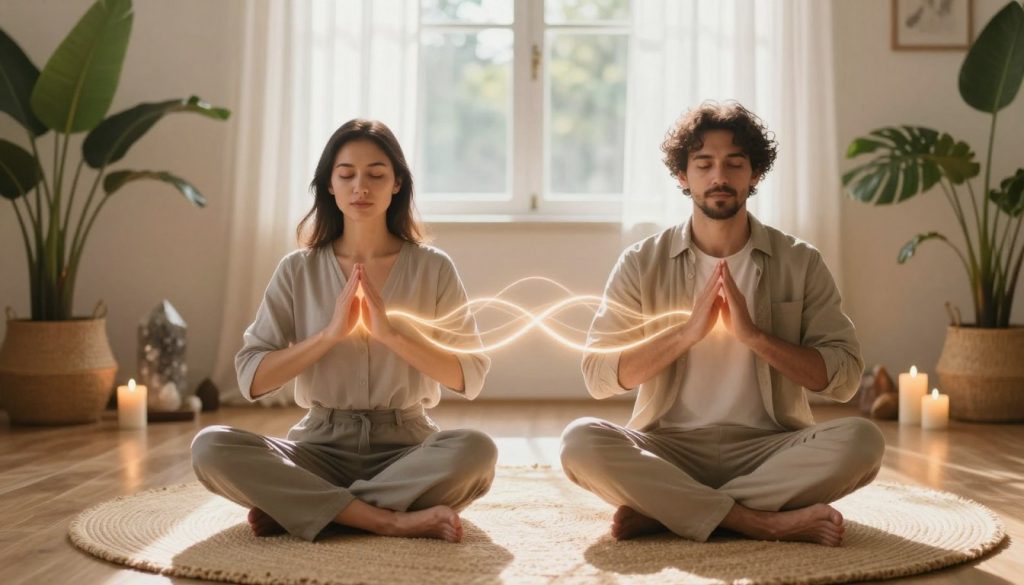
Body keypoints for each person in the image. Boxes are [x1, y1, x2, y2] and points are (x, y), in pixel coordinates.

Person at [560, 101, 884, 547]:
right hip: (669, 446)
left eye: (735, 164)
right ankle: (757, 521)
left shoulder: (800, 261)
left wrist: (755, 337)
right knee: (579, 443)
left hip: (770, 447)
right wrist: (686, 334)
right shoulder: (641, 262)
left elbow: (844, 379)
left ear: (754, 175)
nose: (719, 177)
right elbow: (599, 377)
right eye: (704, 164)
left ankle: (671, 510)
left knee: (863, 441)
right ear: (682, 176)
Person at [191, 119, 496, 543]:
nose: (361, 187)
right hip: (318, 447)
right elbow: (251, 378)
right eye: (346, 174)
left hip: (407, 447)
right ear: (329, 186)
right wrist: (328, 335)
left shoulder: (434, 267)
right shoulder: (296, 269)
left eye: (376, 174)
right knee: (210, 446)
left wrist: (391, 335)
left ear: (397, 185)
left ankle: (312, 508)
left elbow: (471, 375)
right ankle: (385, 518)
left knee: (477, 451)